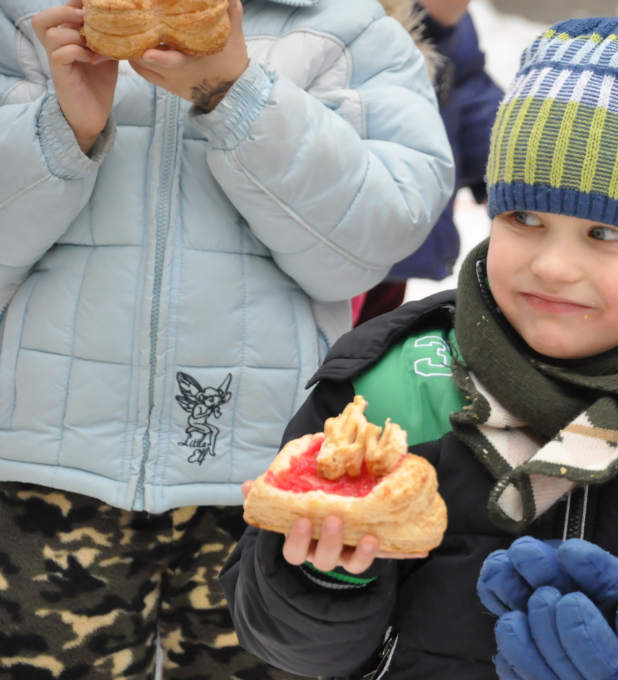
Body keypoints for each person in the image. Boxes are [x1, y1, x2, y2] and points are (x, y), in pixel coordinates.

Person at [220, 16, 618, 679]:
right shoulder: (391, 389)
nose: (553, 266)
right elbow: (283, 642)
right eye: (525, 218)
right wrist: (325, 580)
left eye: (606, 234)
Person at [0, 0, 453, 675]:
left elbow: (369, 244)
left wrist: (237, 97)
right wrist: (60, 128)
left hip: (266, 487)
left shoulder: (346, 31)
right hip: (38, 473)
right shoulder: (28, 25)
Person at [354, 0, 504, 324]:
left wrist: (506, 171)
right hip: (353, 235)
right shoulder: (362, 25)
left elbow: (471, 95)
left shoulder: (454, 30)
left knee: (371, 334)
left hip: (400, 243)